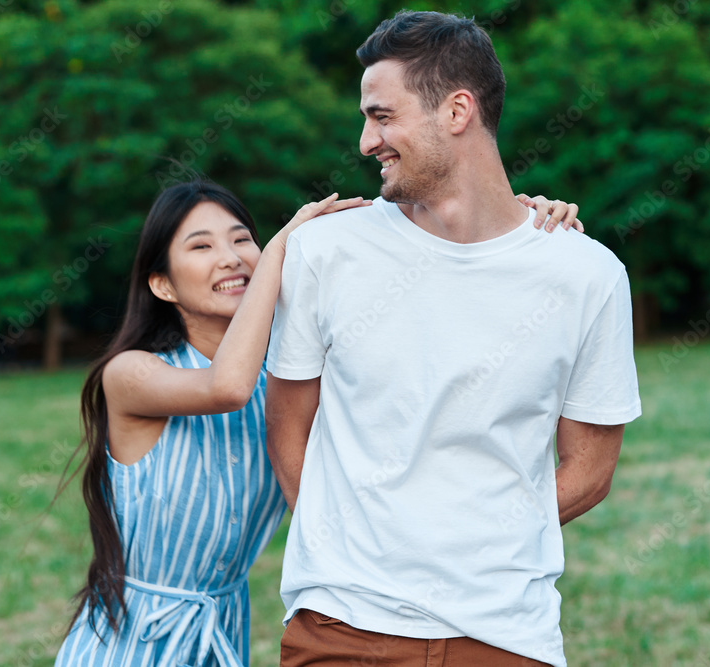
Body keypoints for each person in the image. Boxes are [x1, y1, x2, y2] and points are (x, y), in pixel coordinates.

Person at [52, 178, 580, 666]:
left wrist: (512, 228)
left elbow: (416, 340)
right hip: (128, 640)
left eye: (242, 240)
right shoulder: (131, 374)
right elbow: (225, 388)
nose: (232, 259)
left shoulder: (286, 379)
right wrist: (283, 248)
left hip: (223, 635)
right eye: (201, 246)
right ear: (162, 286)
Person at [265, 11, 641, 667]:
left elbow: (590, 469)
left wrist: (479, 539)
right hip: (343, 631)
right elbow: (287, 430)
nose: (364, 141)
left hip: (505, 637)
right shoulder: (325, 252)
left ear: (458, 110)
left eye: (382, 116)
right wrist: (350, 548)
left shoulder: (587, 274)